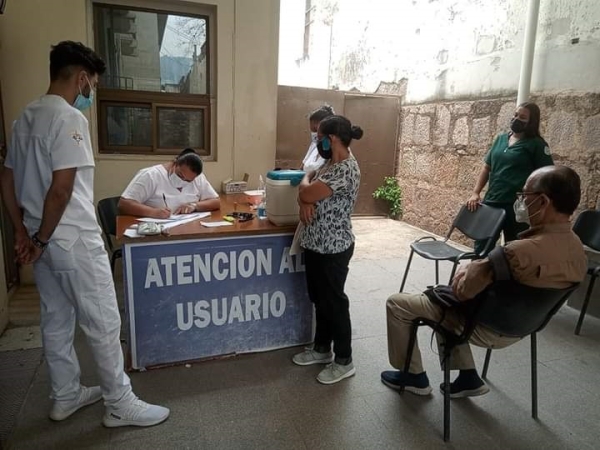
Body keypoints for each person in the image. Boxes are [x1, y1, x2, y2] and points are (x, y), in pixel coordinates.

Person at [0, 41, 169, 427]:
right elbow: (62, 189)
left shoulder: (23, 118)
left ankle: (65, 396)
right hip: (71, 239)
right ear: (81, 79)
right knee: (103, 321)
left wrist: (23, 235)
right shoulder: (69, 118)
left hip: (41, 241)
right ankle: (119, 403)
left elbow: (6, 180)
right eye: (91, 84)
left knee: (56, 320)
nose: (90, 92)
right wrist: (40, 238)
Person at [381, 165, 587, 397]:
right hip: (525, 327)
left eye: (524, 195)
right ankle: (468, 377)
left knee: (400, 303)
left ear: (542, 202)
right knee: (449, 307)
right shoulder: (579, 252)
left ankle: (413, 377)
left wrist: (471, 270)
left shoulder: (516, 253)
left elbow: (461, 291)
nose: (520, 201)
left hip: (484, 326)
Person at [292, 115, 363, 384]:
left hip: (333, 247)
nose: (317, 141)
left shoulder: (346, 169)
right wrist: (305, 193)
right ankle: (322, 348)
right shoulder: (329, 164)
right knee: (320, 299)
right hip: (315, 242)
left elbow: (308, 191)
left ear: (331, 138)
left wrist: (304, 197)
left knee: (334, 303)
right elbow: (308, 175)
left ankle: (344, 360)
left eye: (319, 136)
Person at [467, 102, 554, 254]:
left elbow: (546, 175)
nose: (516, 119)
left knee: (513, 250)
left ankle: (505, 278)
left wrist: (537, 202)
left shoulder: (537, 145)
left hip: (516, 207)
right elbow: (487, 167)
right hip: (492, 201)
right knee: (482, 247)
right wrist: (476, 192)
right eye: (515, 115)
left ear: (531, 121)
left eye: (522, 117)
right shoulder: (500, 139)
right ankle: (479, 275)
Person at [118, 148, 220, 218]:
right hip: (158, 233)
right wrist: (153, 212)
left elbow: (216, 202)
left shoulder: (197, 178)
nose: (182, 181)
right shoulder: (150, 175)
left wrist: (195, 205)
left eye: (188, 181)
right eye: (180, 175)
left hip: (188, 230)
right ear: (175, 163)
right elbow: (124, 204)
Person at [301, 104, 335, 173]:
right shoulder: (314, 144)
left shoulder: (334, 149)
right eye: (312, 130)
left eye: (315, 129)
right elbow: (302, 167)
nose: (315, 134)